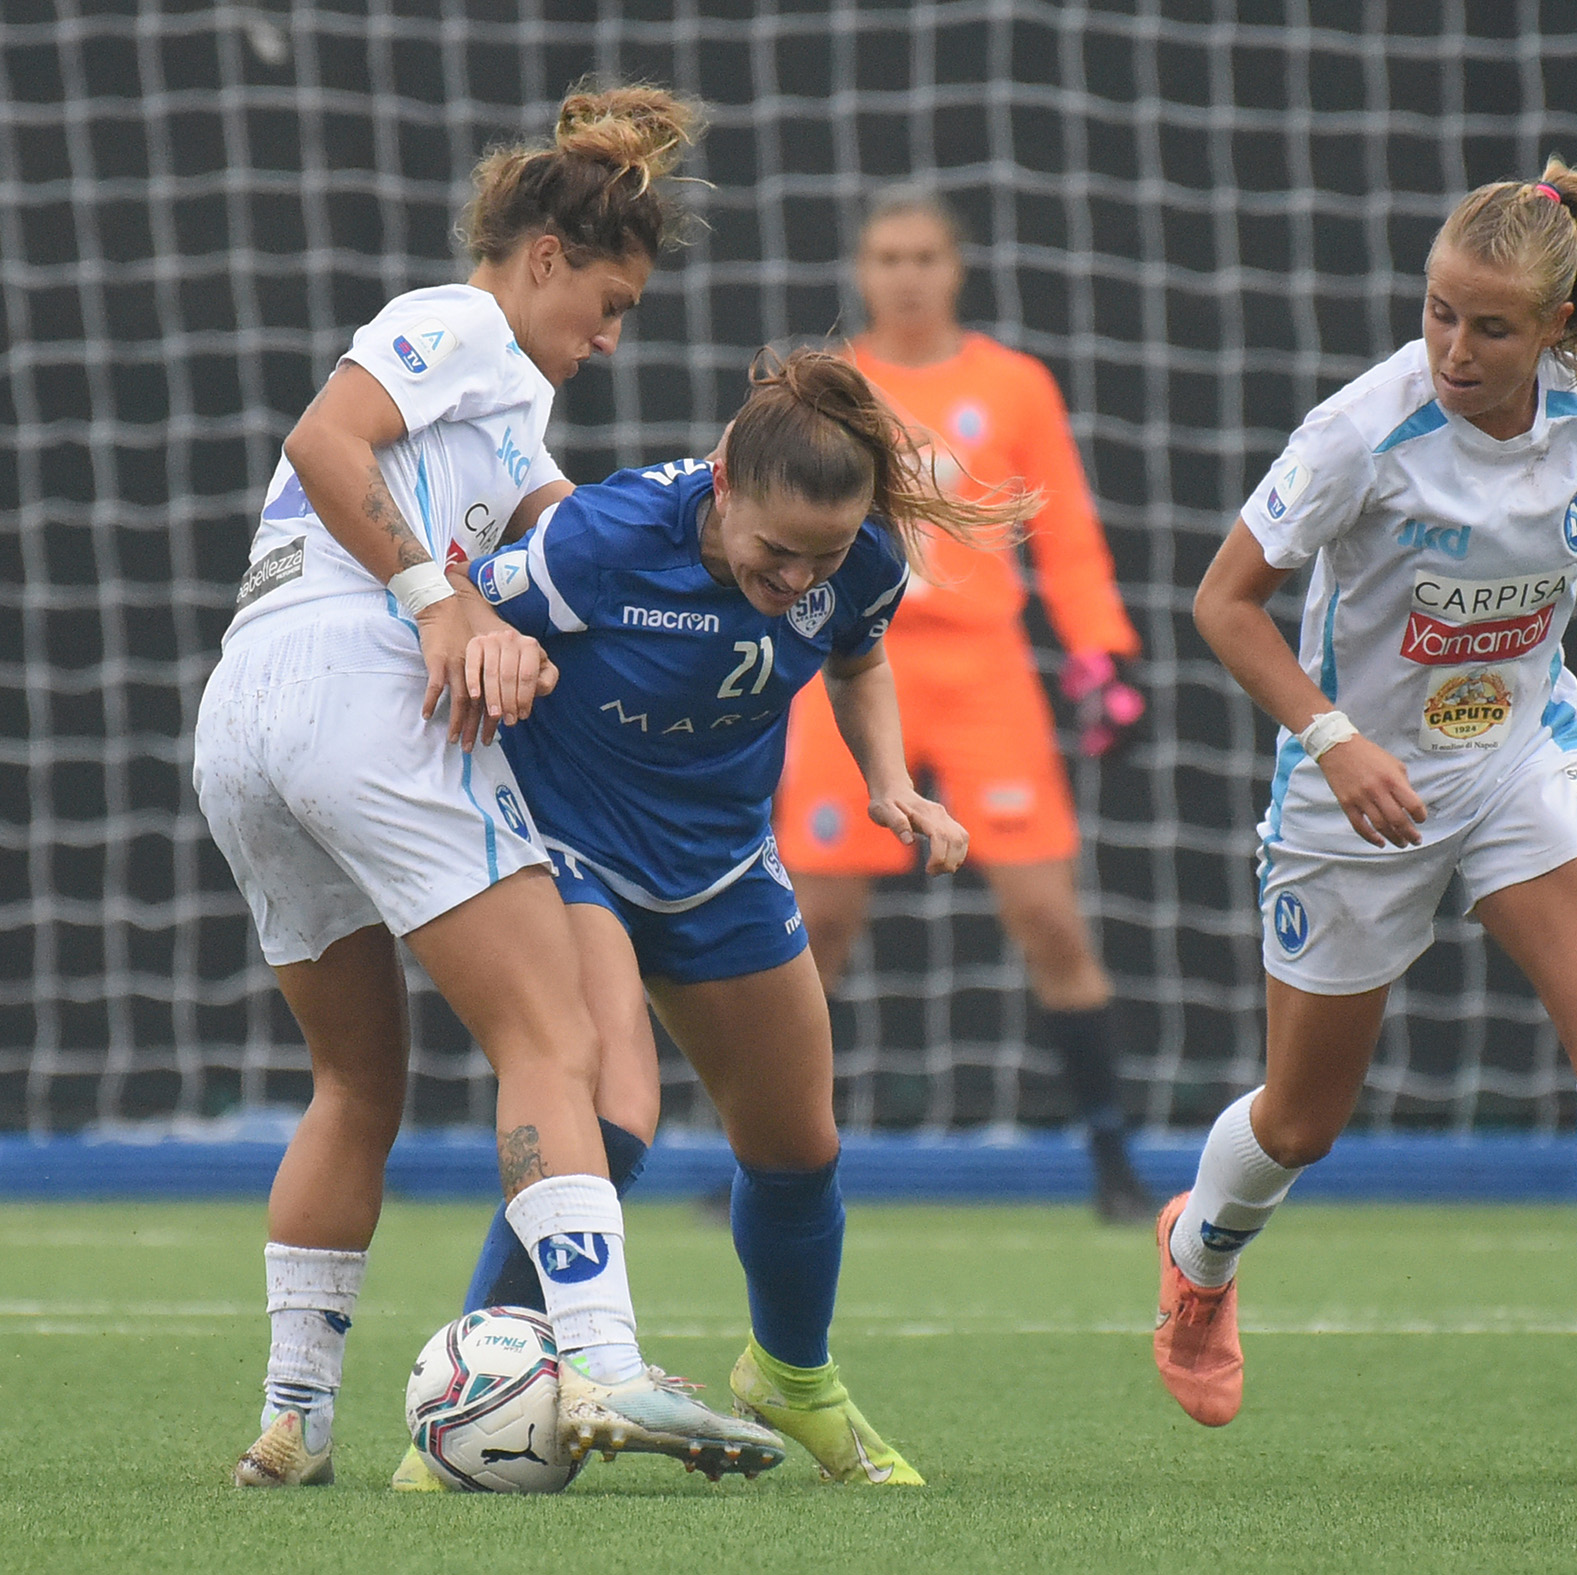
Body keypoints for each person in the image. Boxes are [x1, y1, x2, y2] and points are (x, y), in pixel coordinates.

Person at [1163, 160, 1577, 1480]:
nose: (1454, 349)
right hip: (1356, 794)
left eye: (1490, 326)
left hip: (1522, 760)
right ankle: (1197, 1258)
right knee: (1300, 1122)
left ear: (1558, 327)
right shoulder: (1361, 432)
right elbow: (1223, 603)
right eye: (1437, 313)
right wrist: (1335, 739)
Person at [195, 84, 786, 1487]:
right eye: (609, 301)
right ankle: (607, 1364)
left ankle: (296, 1418)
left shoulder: (509, 416)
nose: (611, 334)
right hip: (351, 683)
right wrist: (440, 603)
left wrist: (749, 528)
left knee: (355, 1080)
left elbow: (582, 541)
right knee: (553, 1031)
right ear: (543, 257)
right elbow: (323, 441)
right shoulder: (458, 323)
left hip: (243, 719)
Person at [398, 347, 1024, 1490]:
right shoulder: (604, 539)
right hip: (569, 846)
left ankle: (791, 1378)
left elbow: (858, 659)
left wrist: (889, 783)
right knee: (615, 1109)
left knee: (797, 1149)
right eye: (776, 550)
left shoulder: (863, 560)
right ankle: (468, 1412)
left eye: (822, 555)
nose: (798, 577)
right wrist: (493, 653)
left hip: (722, 859)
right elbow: (457, 607)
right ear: (725, 483)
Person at [772, 187, 1154, 1220]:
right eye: (888, 257)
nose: (906, 276)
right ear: (862, 270)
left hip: (984, 670)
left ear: (957, 268)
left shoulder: (1013, 386)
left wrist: (1103, 656)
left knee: (1048, 916)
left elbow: (1065, 535)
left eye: (925, 257)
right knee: (813, 921)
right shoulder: (827, 385)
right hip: (849, 665)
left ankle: (1113, 1163)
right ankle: (766, 1155)